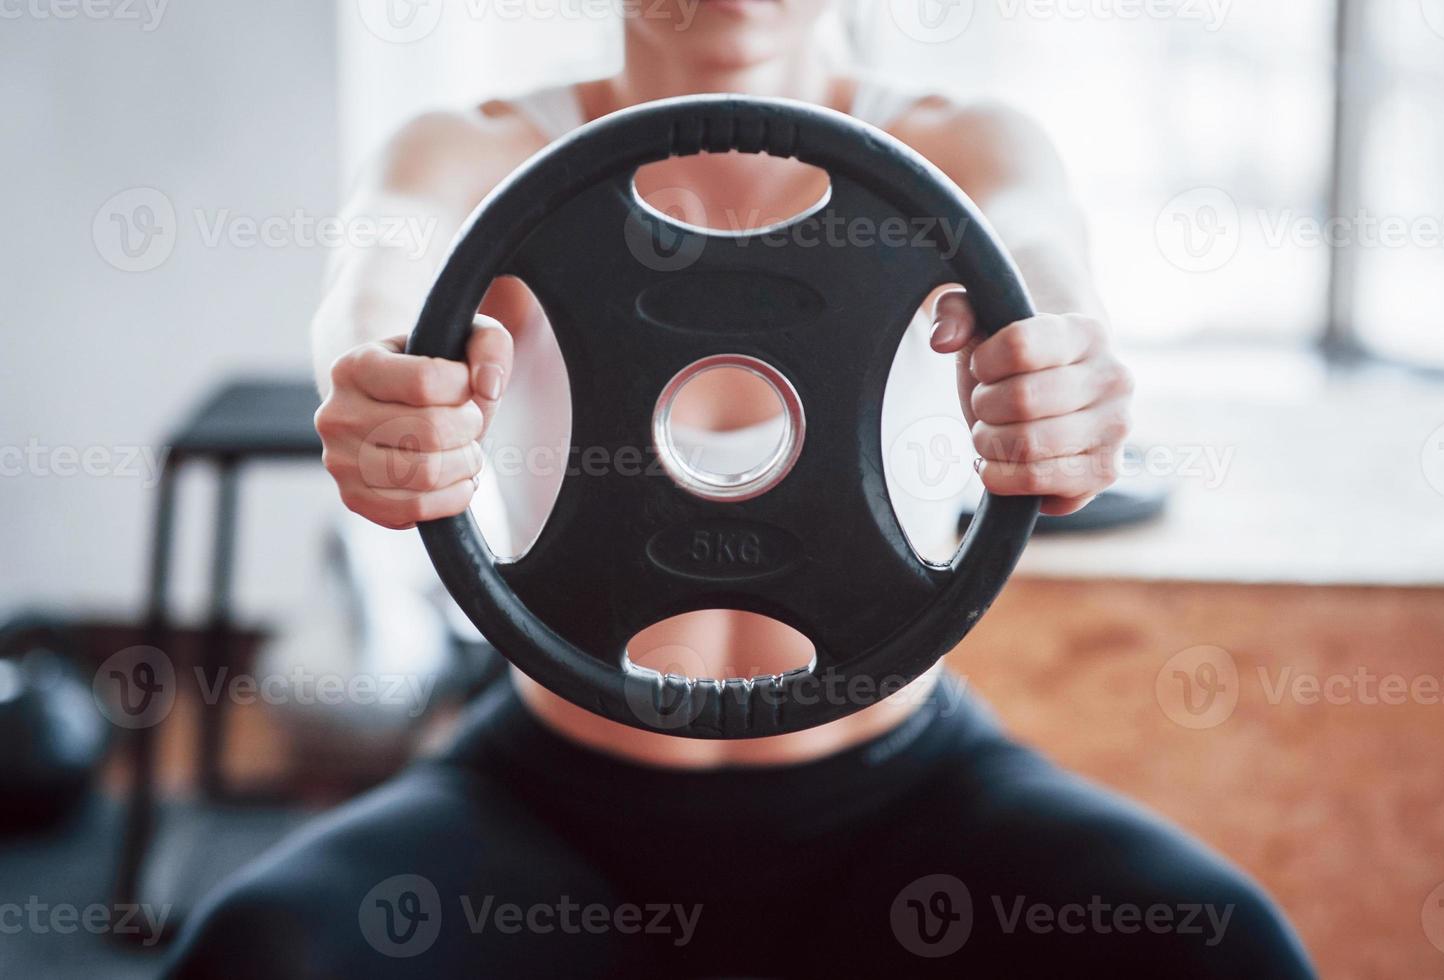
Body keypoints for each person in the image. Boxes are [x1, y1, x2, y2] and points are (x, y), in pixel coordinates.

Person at [167, 6, 1315, 977]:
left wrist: (1065, 376)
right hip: (550, 803)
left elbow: (1048, 278)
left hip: (901, 802)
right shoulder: (468, 153)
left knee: (1225, 945)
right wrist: (379, 386)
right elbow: (376, 279)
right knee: (259, 946)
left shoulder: (963, 145)